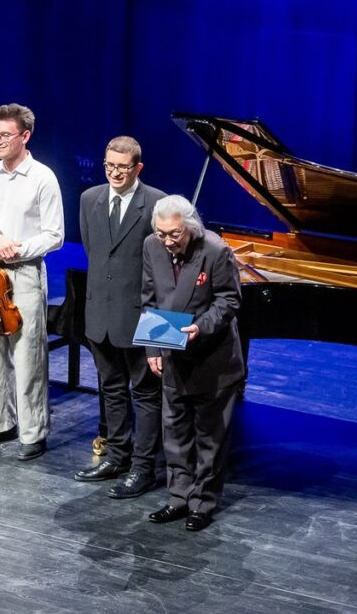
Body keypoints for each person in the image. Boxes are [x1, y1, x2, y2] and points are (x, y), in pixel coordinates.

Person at [0, 103, 63, 462]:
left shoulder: (43, 177)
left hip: (23, 274)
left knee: (27, 354)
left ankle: (33, 431)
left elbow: (54, 236)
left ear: (25, 136)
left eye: (6, 135)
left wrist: (14, 247)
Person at [142, 195, 244, 531]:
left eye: (174, 234)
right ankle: (178, 498)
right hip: (172, 354)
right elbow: (149, 299)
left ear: (190, 227)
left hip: (212, 357)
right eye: (162, 234)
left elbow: (229, 300)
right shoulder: (151, 246)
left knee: (210, 437)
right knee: (174, 433)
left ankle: (203, 503)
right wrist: (153, 349)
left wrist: (202, 326)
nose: (168, 241)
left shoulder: (215, 250)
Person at [73, 136, 166, 498]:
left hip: (141, 316)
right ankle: (116, 456)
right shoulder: (89, 199)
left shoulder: (156, 203)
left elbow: (161, 267)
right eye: (109, 166)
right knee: (110, 388)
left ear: (138, 168)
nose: (114, 173)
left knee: (144, 394)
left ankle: (144, 468)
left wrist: (155, 320)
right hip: (100, 313)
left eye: (123, 168)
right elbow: (95, 253)